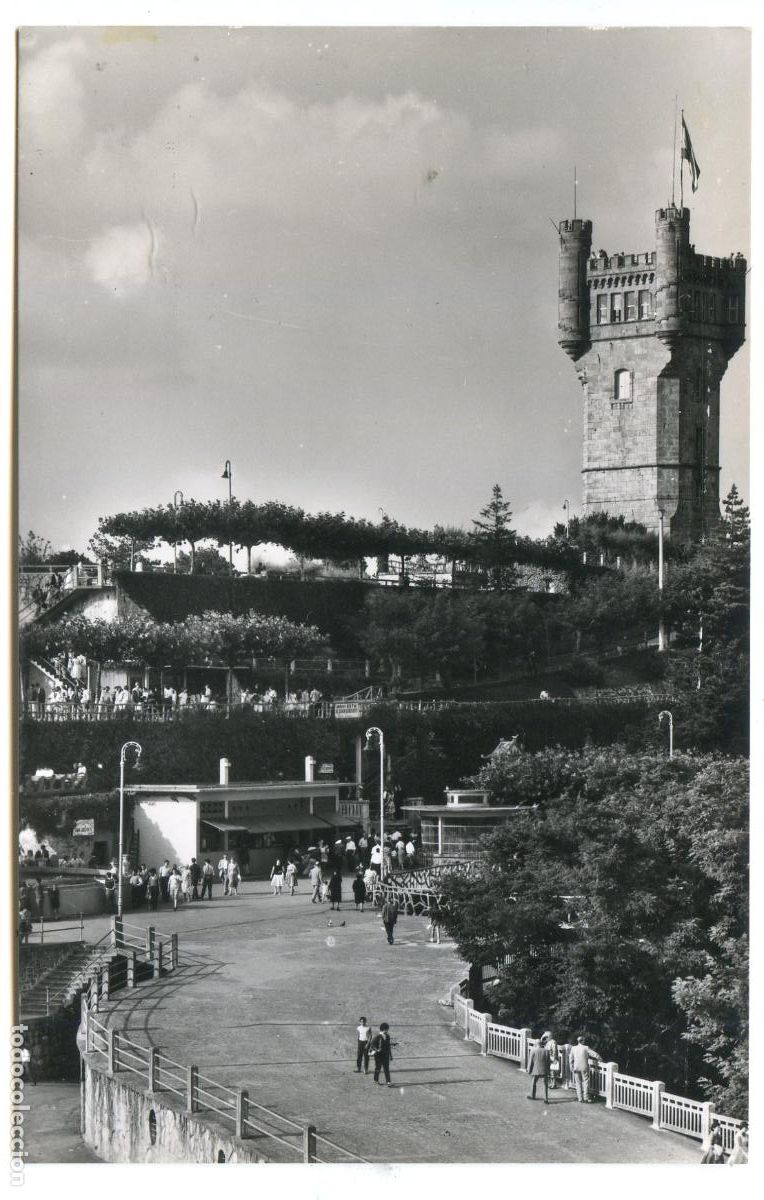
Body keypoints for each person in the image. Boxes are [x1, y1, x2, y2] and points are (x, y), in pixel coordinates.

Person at [568, 1035, 601, 1103]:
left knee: (578, 1083)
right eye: (584, 1040)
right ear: (582, 1041)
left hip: (576, 1067)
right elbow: (593, 1054)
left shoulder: (573, 1048)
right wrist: (599, 1058)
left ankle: (580, 1098)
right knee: (586, 1082)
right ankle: (586, 1097)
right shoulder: (586, 1048)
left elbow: (570, 1058)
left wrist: (571, 1066)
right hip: (584, 1067)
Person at [526, 1037, 550, 1104]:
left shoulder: (533, 1050)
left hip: (536, 1070)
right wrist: (548, 1070)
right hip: (544, 1070)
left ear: (536, 1044)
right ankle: (546, 1099)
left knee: (533, 1083)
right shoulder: (546, 1051)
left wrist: (529, 1070)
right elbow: (548, 1062)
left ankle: (533, 1096)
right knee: (545, 1084)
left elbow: (530, 1062)